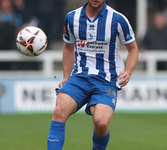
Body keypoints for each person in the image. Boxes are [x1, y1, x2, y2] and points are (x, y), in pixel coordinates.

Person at [47, 0, 139, 150]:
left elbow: (133, 49)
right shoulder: (72, 17)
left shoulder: (117, 19)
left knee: (101, 123)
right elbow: (68, 47)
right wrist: (65, 76)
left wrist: (128, 71)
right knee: (58, 111)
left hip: (106, 80)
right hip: (79, 77)